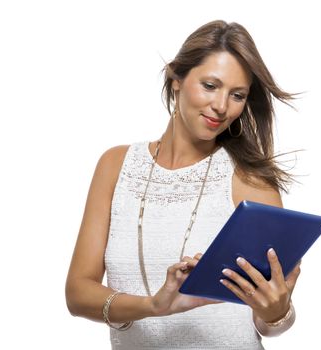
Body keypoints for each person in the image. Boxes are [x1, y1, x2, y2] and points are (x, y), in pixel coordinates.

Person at [65, 19, 302, 349]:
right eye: (209, 85)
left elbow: (266, 321)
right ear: (175, 79)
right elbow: (77, 292)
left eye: (237, 95)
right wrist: (153, 306)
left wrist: (277, 312)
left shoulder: (250, 181)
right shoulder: (115, 165)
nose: (221, 106)